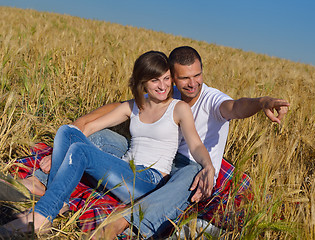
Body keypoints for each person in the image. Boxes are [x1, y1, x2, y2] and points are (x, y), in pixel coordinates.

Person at [13, 46, 289, 239]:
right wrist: (77, 128)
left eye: (198, 75)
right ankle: (50, 188)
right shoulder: (161, 97)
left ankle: (125, 220)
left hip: (185, 167)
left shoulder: (210, 100)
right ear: (173, 77)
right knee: (85, 135)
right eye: (184, 78)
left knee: (191, 170)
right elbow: (118, 109)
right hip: (141, 159)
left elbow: (235, 108)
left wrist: (263, 102)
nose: (193, 84)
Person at [2, 50, 215, 234]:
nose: (163, 86)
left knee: (80, 151)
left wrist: (208, 166)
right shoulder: (134, 106)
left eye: (167, 79)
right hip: (125, 169)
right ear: (142, 83)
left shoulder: (178, 108)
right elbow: (90, 127)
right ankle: (58, 201)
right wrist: (60, 149)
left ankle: (43, 215)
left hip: (147, 180)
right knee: (67, 131)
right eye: (155, 80)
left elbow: (195, 144)